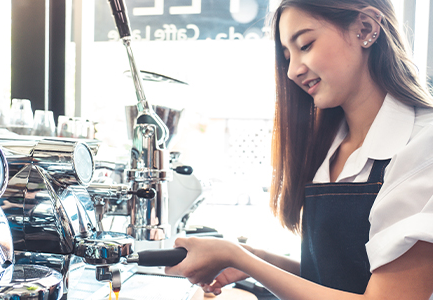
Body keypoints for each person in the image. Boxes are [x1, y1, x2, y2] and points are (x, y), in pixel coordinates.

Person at [165, 0, 433, 299]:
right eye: (286, 55)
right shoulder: (333, 144)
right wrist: (252, 258)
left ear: (366, 28)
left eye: (305, 45)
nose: (292, 71)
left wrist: (238, 257)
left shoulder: (424, 146)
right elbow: (337, 279)